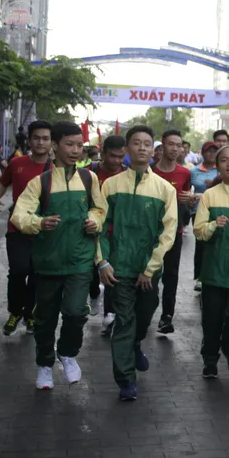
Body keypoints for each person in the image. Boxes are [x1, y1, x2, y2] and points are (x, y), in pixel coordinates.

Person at [11, 121, 107, 390]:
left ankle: (67, 352)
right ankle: (44, 364)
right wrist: (39, 223)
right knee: (45, 318)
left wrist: (93, 221)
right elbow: (20, 215)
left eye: (79, 145)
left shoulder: (89, 178)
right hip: (48, 262)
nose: (76, 150)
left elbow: (100, 209)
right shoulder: (39, 182)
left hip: (80, 260)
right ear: (55, 145)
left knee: (76, 312)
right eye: (70, 144)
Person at [96, 125, 178, 401]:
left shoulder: (164, 189)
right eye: (136, 143)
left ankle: (135, 344)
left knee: (144, 315)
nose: (142, 148)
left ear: (152, 150)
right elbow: (99, 226)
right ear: (127, 149)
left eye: (147, 143)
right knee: (124, 321)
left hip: (148, 269)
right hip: (118, 269)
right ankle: (125, 381)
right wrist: (103, 262)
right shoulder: (110, 185)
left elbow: (168, 233)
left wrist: (150, 268)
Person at [193, 145, 229, 378]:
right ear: (217, 166)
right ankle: (210, 360)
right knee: (211, 320)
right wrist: (213, 225)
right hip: (213, 269)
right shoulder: (210, 194)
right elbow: (198, 230)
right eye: (224, 160)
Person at [0, 121, 52, 335]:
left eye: (45, 138)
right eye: (36, 138)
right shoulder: (17, 163)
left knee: (37, 273)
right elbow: (3, 182)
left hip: (45, 229)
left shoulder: (58, 168)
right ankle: (15, 311)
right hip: (17, 226)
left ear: (52, 142)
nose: (41, 142)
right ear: (30, 140)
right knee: (18, 270)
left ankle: (30, 314)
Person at [152, 130, 194, 335]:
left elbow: (185, 197)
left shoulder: (185, 173)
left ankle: (167, 316)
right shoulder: (150, 171)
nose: (175, 148)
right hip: (150, 233)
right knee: (149, 273)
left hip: (174, 232)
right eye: (171, 144)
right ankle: (146, 309)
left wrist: (188, 200)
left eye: (179, 145)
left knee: (171, 275)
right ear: (162, 146)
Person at [94, 134, 126, 336]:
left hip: (112, 235)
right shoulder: (88, 173)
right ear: (103, 153)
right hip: (87, 231)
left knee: (110, 273)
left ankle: (110, 316)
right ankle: (92, 293)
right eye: (113, 156)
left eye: (121, 157)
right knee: (89, 274)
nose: (117, 161)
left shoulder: (125, 176)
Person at [190, 141, 220, 292]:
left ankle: (213, 274)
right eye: (208, 151)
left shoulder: (221, 170)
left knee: (214, 244)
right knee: (200, 244)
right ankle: (200, 277)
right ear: (202, 153)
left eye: (215, 151)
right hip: (198, 210)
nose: (212, 154)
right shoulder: (194, 171)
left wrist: (215, 183)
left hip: (217, 210)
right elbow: (188, 190)